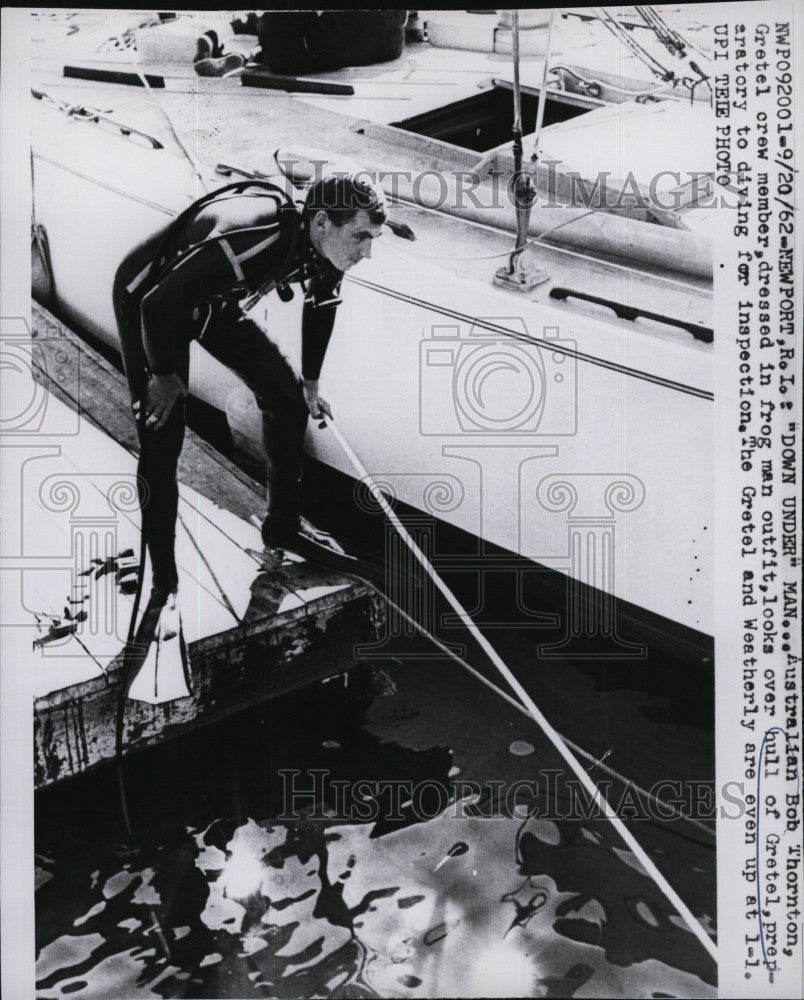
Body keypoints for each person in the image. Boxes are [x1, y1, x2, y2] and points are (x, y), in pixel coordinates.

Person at [112, 173, 387, 605]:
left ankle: (283, 527)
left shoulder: (326, 249)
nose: (367, 252)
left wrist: (311, 385)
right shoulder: (254, 239)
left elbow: (322, 306)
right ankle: (163, 576)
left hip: (211, 300)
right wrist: (164, 378)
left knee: (288, 401)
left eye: (373, 238)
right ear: (320, 224)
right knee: (163, 437)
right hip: (152, 302)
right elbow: (157, 304)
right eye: (361, 237)